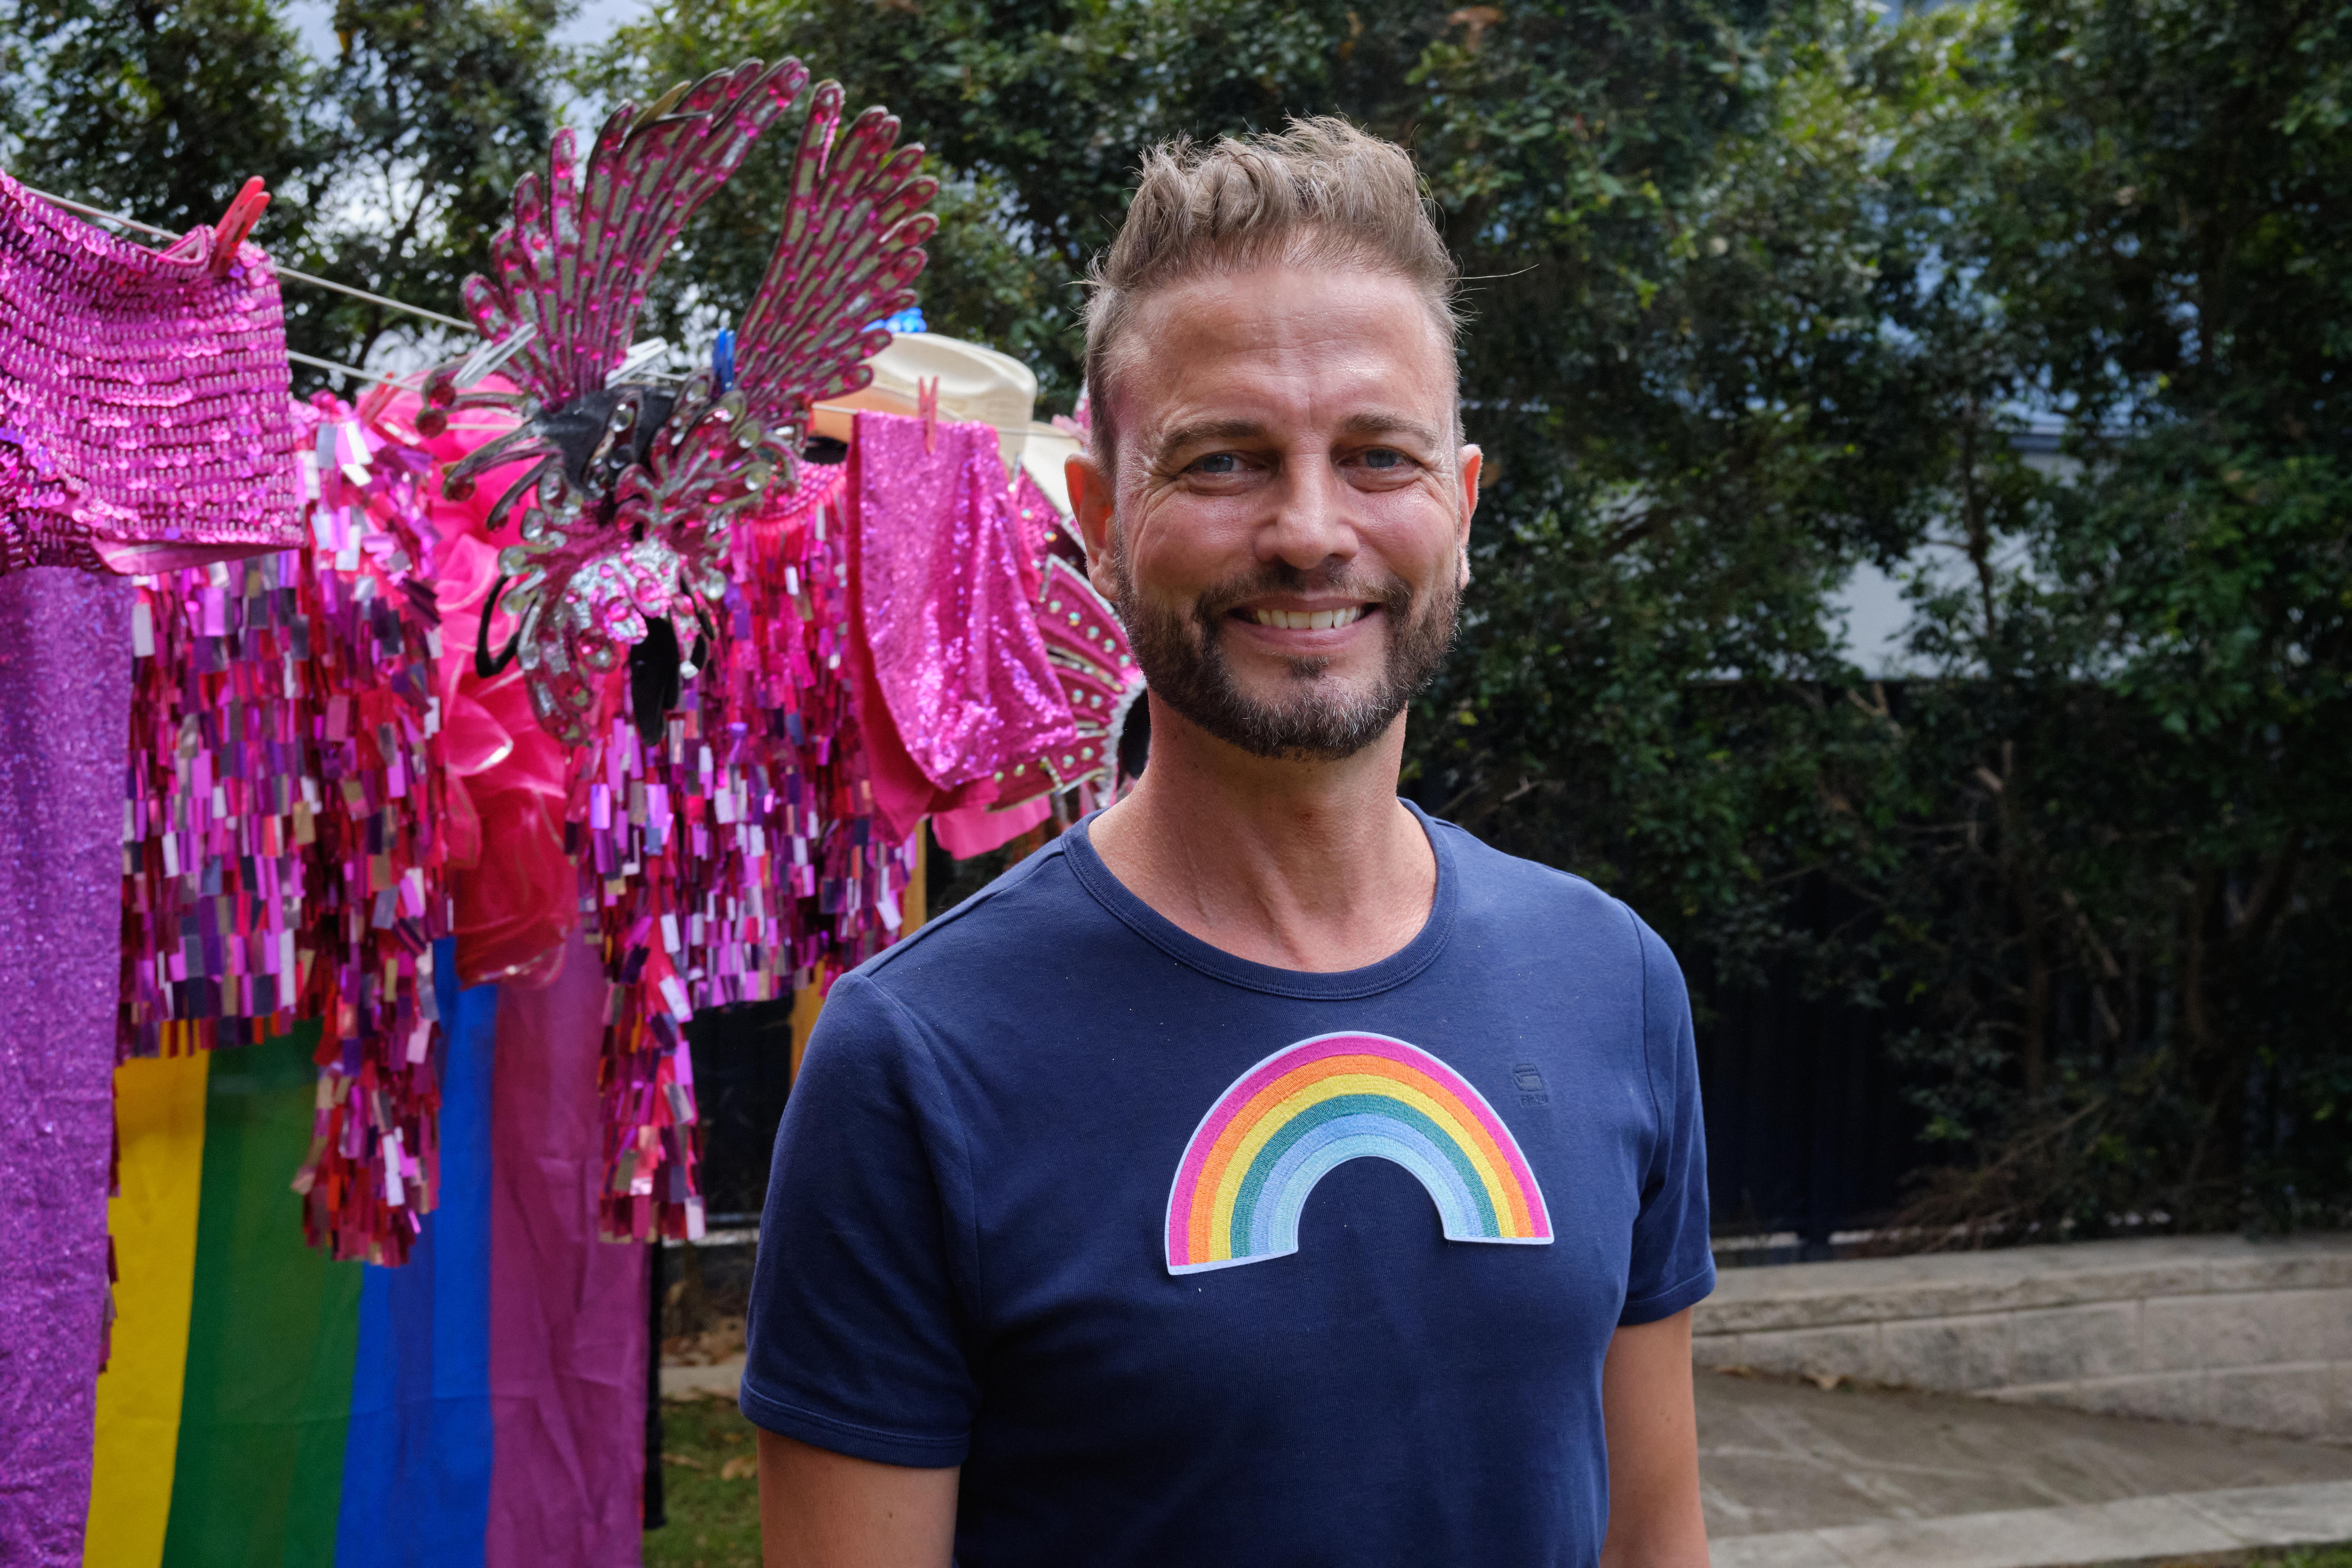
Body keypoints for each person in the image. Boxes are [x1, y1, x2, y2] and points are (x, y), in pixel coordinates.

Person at [741, 118, 1714, 1568]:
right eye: (1224, 461)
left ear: (1459, 506)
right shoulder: (914, 1062)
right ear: (1098, 516)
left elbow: (1653, 1539)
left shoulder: (1614, 982)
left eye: (1378, 455)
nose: (1310, 531)